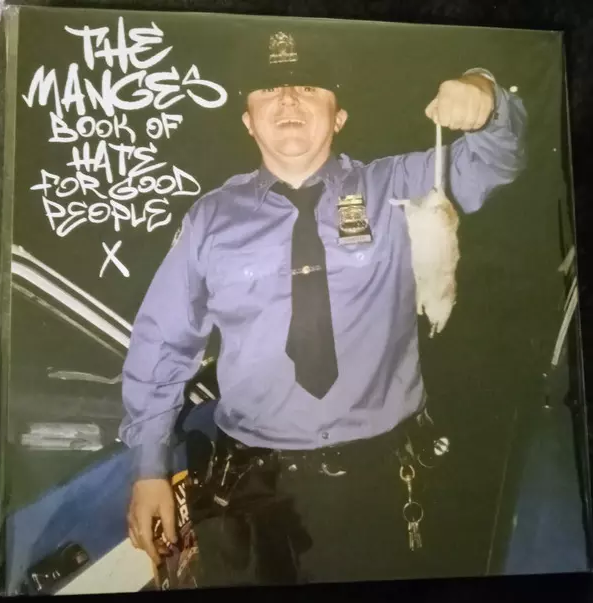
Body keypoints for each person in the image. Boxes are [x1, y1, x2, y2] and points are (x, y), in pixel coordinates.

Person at [121, 28, 527, 585]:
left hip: (377, 481)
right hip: (249, 487)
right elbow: (163, 341)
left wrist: (486, 94)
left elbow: (495, 161)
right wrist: (149, 468)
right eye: (269, 89)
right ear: (248, 119)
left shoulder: (398, 186)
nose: (288, 99)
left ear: (339, 117)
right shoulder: (209, 220)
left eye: (309, 87)